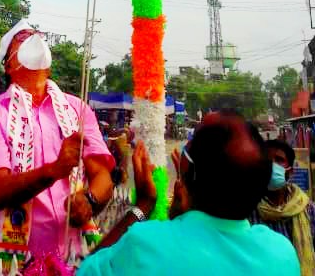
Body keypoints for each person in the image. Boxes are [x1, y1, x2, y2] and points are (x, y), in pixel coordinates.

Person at [0, 19, 114, 272]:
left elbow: (102, 173)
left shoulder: (77, 109)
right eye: (22, 37)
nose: (33, 37)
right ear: (9, 64)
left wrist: (90, 200)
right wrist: (53, 170)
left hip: (71, 259)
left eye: (35, 34)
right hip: (11, 265)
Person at [80, 112, 300, 275]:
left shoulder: (145, 244)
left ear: (187, 168)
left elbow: (87, 270)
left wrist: (143, 205)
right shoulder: (282, 254)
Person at [252, 139, 315, 276]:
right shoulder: (249, 211)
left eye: (279, 160)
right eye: (267, 160)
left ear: (290, 172)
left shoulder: (309, 210)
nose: (272, 165)